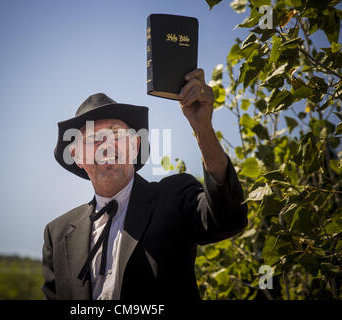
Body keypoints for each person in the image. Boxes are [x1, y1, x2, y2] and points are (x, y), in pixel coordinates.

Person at [43, 68, 248, 300]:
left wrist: (203, 128)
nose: (106, 146)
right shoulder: (57, 233)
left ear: (135, 145)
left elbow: (229, 219)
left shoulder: (173, 196)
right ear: (76, 156)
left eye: (116, 134)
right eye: (92, 138)